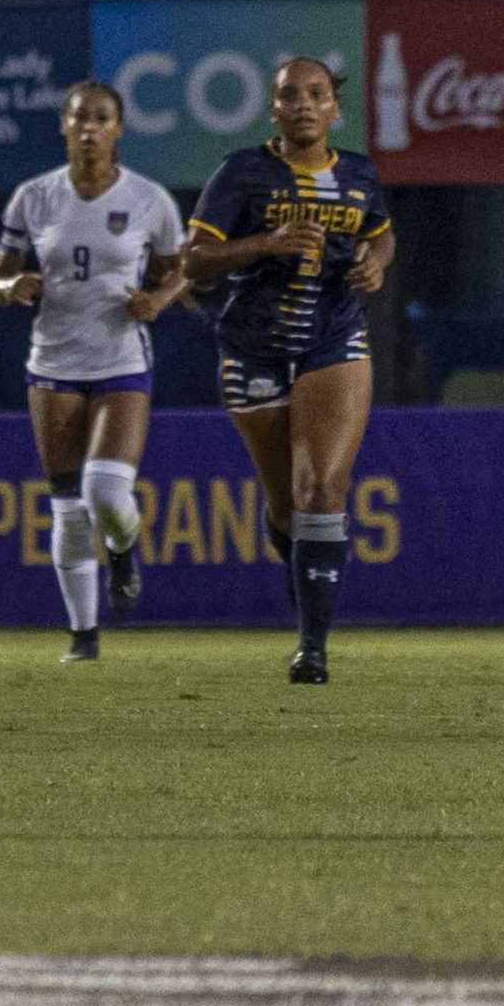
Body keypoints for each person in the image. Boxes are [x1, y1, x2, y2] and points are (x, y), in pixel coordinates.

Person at [180, 57, 393, 685]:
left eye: (317, 94)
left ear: (335, 109)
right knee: (285, 507)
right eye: (290, 95)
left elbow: (381, 235)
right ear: (273, 108)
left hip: (334, 337)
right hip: (255, 345)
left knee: (323, 487)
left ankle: (313, 647)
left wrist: (375, 264)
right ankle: (301, 573)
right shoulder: (243, 173)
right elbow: (194, 263)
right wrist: (265, 244)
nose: (304, 104)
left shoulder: (357, 173)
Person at [0, 81, 189, 662]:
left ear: (119, 128)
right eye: (79, 118)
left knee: (104, 491)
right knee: (68, 505)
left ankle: (124, 547)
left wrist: (158, 300)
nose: (90, 128)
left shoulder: (149, 200)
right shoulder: (35, 197)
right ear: (64, 126)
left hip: (121, 357)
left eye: (102, 118)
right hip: (53, 360)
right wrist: (9, 287)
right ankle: (83, 636)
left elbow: (181, 270)